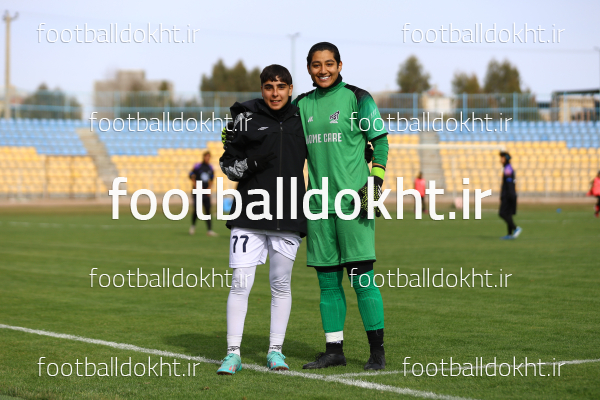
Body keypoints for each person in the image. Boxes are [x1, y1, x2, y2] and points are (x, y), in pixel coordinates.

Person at [293, 42, 389, 371]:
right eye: (316, 65)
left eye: (329, 64)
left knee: (362, 280)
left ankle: (377, 352)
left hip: (353, 205)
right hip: (318, 207)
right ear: (309, 68)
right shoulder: (301, 105)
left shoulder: (358, 98)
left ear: (339, 65)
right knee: (328, 284)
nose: (323, 70)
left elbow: (379, 142)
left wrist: (375, 183)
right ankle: (334, 351)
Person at [216, 65, 307, 374]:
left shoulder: (303, 118)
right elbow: (228, 166)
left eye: (281, 87)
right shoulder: (245, 118)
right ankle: (232, 353)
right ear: (262, 89)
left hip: (288, 214)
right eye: (269, 87)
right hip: (249, 215)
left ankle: (275, 352)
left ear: (290, 89)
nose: (275, 93)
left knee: (281, 285)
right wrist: (250, 163)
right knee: (240, 283)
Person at [189, 151, 217, 236]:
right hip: (198, 192)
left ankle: (209, 230)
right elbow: (191, 175)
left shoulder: (210, 167)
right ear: (203, 157)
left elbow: (211, 179)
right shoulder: (198, 166)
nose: (207, 158)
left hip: (205, 192)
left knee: (208, 210)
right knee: (197, 210)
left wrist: (209, 188)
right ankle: (193, 226)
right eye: (206, 156)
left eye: (209, 157)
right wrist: (196, 186)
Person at [499, 151, 521, 239]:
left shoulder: (507, 169)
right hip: (509, 194)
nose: (500, 160)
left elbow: (509, 184)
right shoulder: (507, 167)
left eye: (502, 158)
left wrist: (509, 195)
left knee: (502, 213)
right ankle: (509, 234)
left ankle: (515, 228)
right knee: (508, 214)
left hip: (508, 195)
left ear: (506, 159)